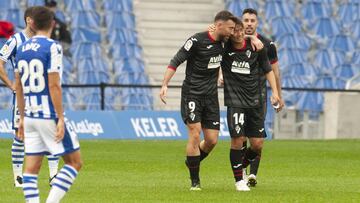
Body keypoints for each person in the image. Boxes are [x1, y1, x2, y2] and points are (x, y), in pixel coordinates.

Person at [159, 10, 238, 190]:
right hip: (192, 94)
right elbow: (176, 60)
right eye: (230, 28)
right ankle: (195, 181)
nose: (232, 32)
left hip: (210, 96)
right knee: (195, 133)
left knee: (212, 140)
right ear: (219, 25)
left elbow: (243, 39)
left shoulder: (226, 43)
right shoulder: (196, 41)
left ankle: (192, 161)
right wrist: (165, 84)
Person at [15, 6, 82, 203]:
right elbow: (54, 85)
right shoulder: (53, 47)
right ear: (53, 24)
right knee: (74, 162)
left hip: (30, 116)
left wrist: (21, 117)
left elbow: (18, 86)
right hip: (48, 114)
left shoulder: (22, 48)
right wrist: (60, 117)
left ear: (32, 24)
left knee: (31, 170)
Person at [0, 6, 59, 188]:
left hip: (44, 95)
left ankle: (54, 175)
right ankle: (18, 177)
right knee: (19, 135)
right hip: (23, 98)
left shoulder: (45, 40)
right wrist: (12, 86)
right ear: (28, 20)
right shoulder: (15, 41)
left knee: (50, 133)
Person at [220, 21, 280, 191]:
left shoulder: (257, 47)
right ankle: (239, 181)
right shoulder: (225, 46)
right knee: (238, 140)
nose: (239, 34)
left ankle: (240, 166)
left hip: (255, 102)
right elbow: (213, 39)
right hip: (235, 102)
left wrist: (275, 92)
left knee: (258, 144)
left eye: (241, 31)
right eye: (235, 31)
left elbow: (268, 70)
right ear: (231, 32)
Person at [240, 8, 284, 187]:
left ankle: (252, 173)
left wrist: (278, 95)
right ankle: (243, 173)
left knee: (257, 141)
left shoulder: (268, 45)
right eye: (246, 20)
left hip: (259, 97)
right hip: (238, 97)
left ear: (257, 23)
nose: (249, 23)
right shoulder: (234, 42)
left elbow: (275, 71)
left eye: (252, 20)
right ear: (241, 22)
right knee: (240, 137)